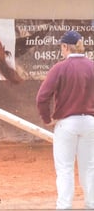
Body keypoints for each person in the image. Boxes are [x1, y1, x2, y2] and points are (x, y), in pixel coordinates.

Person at [36, 30, 94, 209]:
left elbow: (42, 98)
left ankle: (64, 206)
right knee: (89, 167)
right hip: (90, 122)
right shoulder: (92, 66)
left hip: (66, 123)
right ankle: (91, 204)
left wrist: (47, 119)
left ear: (64, 47)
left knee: (65, 169)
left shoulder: (59, 68)